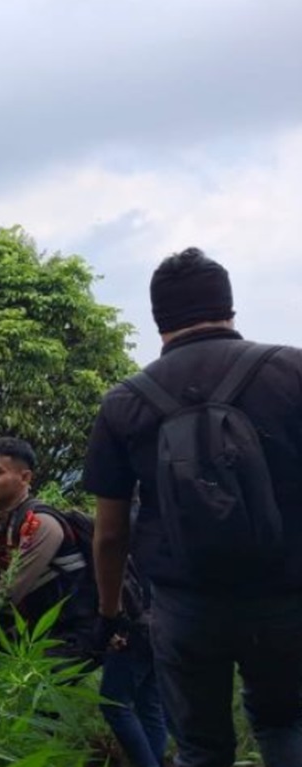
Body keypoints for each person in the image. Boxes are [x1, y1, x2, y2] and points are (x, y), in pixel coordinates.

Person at [85, 248, 302, 767]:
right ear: (228, 305)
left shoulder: (125, 402)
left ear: (159, 318)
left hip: (186, 605)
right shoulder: (292, 371)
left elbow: (110, 532)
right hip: (286, 593)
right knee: (285, 723)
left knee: (201, 748)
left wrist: (110, 611)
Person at [0, 438, 95, 663]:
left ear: (25, 477)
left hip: (68, 635)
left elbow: (9, 591)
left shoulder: (41, 523)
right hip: (30, 631)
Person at [99, 556, 168, 767]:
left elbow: (116, 576)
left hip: (133, 631)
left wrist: (109, 623)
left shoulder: (123, 538)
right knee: (150, 704)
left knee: (114, 705)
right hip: (164, 624)